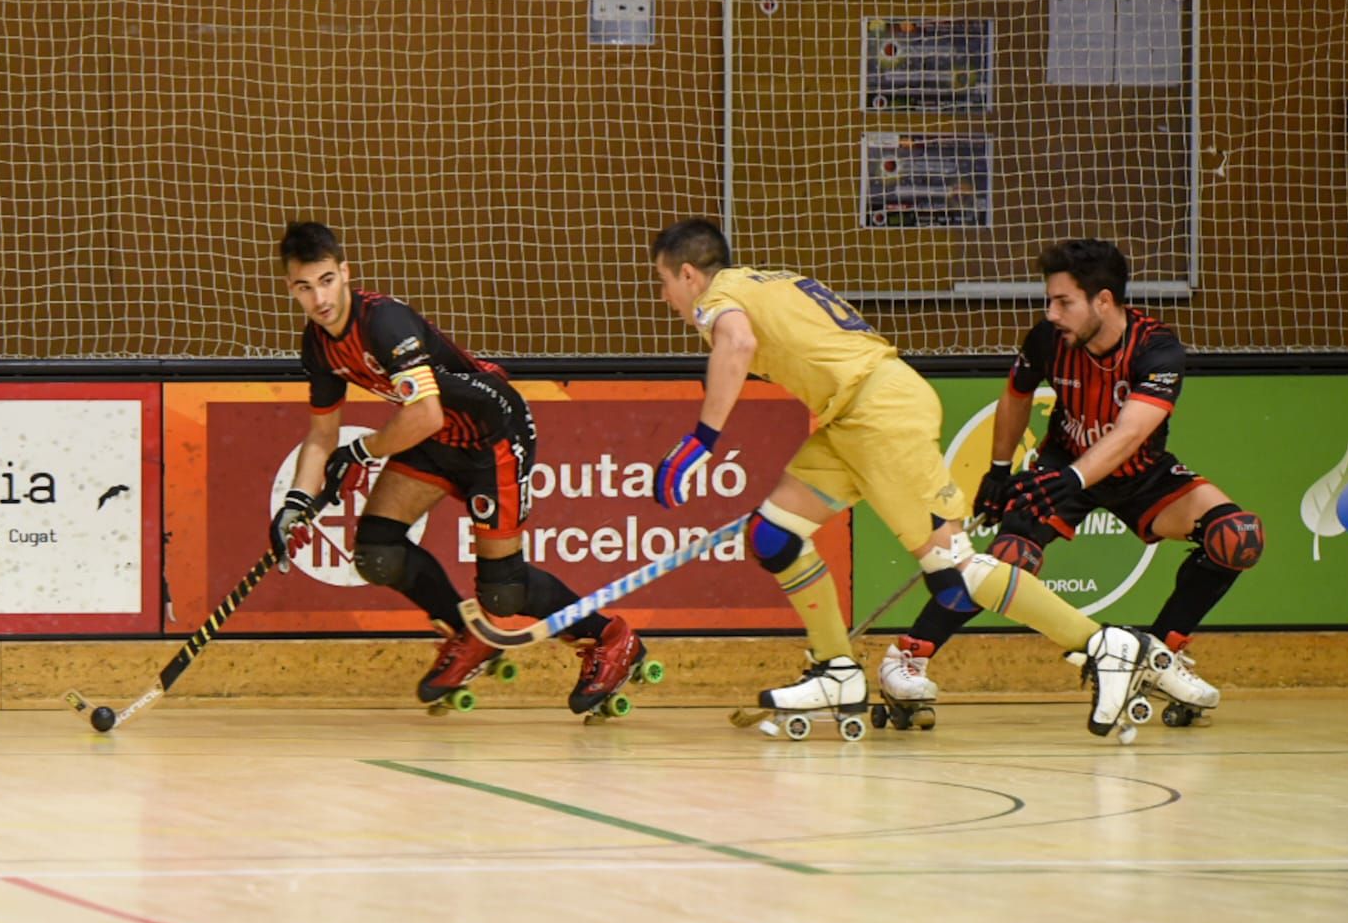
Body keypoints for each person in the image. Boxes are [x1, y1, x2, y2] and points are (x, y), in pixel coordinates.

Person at [650, 217, 1156, 739]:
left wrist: (701, 442)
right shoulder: (765, 279)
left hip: (879, 413)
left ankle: (1103, 645)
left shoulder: (719, 299)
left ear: (689, 275)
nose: (666, 298)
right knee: (773, 535)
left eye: (664, 282)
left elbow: (736, 345)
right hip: (853, 414)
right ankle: (837, 672)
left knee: (955, 570)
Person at [881, 238, 1264, 722]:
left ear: (1103, 301)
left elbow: (1130, 433)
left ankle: (1156, 657)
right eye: (1049, 300)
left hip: (1137, 470)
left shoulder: (1158, 350)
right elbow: (1016, 396)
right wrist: (999, 471)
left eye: (1064, 302)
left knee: (1237, 536)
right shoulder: (1047, 340)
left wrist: (1075, 478)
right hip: (1063, 462)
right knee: (1009, 556)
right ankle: (908, 659)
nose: (1052, 313)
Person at [267, 221, 643, 715]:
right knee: (376, 552)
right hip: (436, 438)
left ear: (345, 273)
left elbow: (425, 413)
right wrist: (294, 505)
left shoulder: (384, 323)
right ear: (289, 289)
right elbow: (321, 436)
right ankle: (469, 638)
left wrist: (363, 453)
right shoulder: (317, 345)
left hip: (492, 434)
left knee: (504, 592)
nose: (319, 299)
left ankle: (611, 638)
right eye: (304, 287)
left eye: (326, 281)